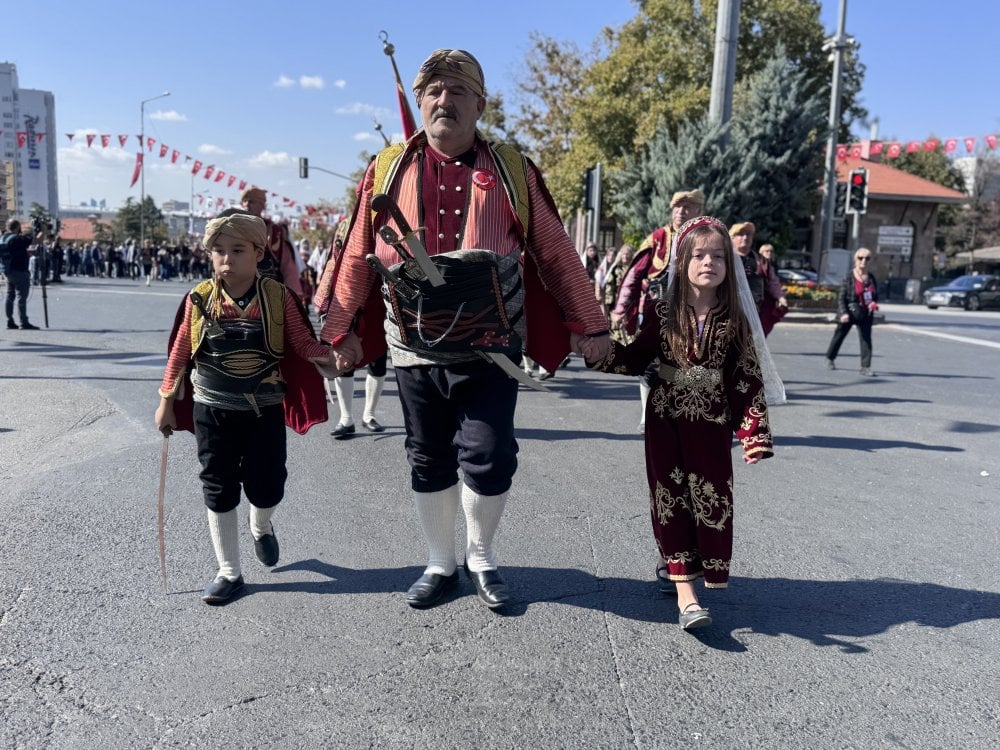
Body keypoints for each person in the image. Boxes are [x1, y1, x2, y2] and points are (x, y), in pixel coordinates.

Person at [318, 48, 609, 610]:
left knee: (490, 453)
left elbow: (554, 251)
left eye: (457, 92)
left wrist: (590, 323)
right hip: (413, 346)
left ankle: (481, 555)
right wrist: (338, 330)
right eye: (433, 91)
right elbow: (355, 252)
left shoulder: (513, 170)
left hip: (491, 345)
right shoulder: (384, 170)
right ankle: (439, 561)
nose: (443, 101)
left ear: (480, 104)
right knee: (427, 455)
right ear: (420, 100)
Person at [574, 216, 775, 630]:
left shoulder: (734, 318)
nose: (709, 263)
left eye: (718, 256)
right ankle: (687, 596)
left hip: (712, 423)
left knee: (711, 498)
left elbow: (746, 376)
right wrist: (598, 352)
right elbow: (636, 357)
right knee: (670, 498)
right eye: (699, 255)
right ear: (681, 262)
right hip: (665, 418)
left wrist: (753, 432)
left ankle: (683, 566)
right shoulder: (662, 311)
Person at [154, 211, 333, 605]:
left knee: (267, 486)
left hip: (263, 408)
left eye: (237, 250)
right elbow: (181, 351)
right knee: (217, 486)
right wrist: (167, 399)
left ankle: (261, 525)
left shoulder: (278, 296)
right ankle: (229, 572)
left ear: (258, 252)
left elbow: (303, 344)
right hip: (211, 407)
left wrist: (331, 356)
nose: (226, 259)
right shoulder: (199, 298)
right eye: (218, 251)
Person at [611, 189, 704, 430]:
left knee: (689, 364)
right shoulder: (658, 238)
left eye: (687, 207)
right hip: (656, 314)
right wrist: (620, 309)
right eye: (677, 207)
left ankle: (684, 414)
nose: (681, 211)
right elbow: (634, 275)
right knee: (651, 364)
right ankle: (646, 415)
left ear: (698, 211)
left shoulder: (707, 240)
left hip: (695, 315)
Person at [240, 187, 303, 299]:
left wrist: (292, 294)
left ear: (262, 205)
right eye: (244, 201)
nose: (247, 205)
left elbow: (286, 263)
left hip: (269, 292)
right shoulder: (233, 229)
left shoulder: (274, 231)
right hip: (240, 288)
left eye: (251, 201)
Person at [826, 247, 879, 376]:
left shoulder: (871, 278)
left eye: (867, 258)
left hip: (866, 313)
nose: (864, 261)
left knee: (866, 339)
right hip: (850, 311)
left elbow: (875, 295)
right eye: (861, 258)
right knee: (839, 335)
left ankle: (865, 367)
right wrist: (843, 313)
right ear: (856, 259)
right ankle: (830, 358)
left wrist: (873, 303)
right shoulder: (849, 276)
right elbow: (841, 297)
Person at [2, 220, 39, 330]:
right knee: (21, 297)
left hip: (7, 270)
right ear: (18, 227)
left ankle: (10, 321)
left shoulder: (3, 238)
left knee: (10, 296)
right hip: (19, 271)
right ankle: (23, 322)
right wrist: (42, 231)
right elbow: (34, 242)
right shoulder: (17, 238)